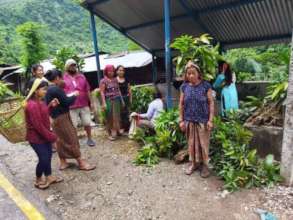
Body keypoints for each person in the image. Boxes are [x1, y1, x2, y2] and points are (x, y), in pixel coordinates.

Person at [45, 69, 96, 171]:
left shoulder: (49, 89)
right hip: (62, 118)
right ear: (57, 78)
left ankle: (63, 162)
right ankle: (81, 163)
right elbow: (67, 102)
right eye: (61, 78)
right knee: (71, 138)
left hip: (55, 119)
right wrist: (74, 95)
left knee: (60, 140)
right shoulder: (55, 89)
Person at [24, 78, 63, 189]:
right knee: (44, 158)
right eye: (43, 89)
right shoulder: (32, 105)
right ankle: (38, 179)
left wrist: (50, 105)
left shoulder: (39, 101)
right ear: (35, 90)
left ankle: (49, 177)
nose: (46, 91)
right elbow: (38, 126)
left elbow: (42, 113)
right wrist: (53, 137)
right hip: (36, 137)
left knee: (48, 155)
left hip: (43, 135)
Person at [179, 62, 214, 178]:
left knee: (203, 145)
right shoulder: (184, 87)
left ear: (198, 74)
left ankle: (204, 166)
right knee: (191, 144)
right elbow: (181, 104)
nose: (191, 76)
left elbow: (211, 103)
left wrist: (210, 120)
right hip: (189, 120)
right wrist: (181, 120)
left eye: (193, 73)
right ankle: (193, 164)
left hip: (202, 121)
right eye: (188, 74)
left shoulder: (206, 86)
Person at [63, 59, 95, 147]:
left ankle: (89, 138)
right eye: (71, 65)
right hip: (71, 106)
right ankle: (75, 141)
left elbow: (87, 90)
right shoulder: (63, 79)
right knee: (73, 125)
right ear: (67, 67)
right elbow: (62, 93)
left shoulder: (82, 77)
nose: (73, 67)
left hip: (83, 104)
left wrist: (91, 102)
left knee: (87, 122)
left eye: (74, 65)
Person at [100, 64, 123, 141]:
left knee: (117, 117)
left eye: (112, 71)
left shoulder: (115, 80)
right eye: (109, 71)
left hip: (116, 100)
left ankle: (118, 131)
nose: (111, 72)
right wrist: (104, 103)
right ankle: (109, 133)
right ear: (106, 71)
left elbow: (118, 90)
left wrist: (122, 100)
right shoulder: (103, 81)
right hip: (109, 101)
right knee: (109, 118)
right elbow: (102, 92)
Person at [116, 65, 132, 132]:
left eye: (122, 70)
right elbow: (117, 90)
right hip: (118, 99)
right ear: (117, 71)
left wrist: (131, 99)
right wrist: (121, 99)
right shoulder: (115, 80)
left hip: (126, 97)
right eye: (120, 70)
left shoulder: (126, 79)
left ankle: (127, 128)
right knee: (120, 113)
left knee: (126, 113)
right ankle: (120, 128)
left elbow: (129, 89)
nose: (121, 72)